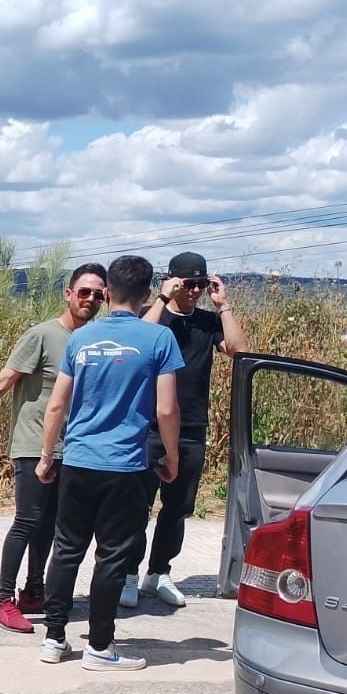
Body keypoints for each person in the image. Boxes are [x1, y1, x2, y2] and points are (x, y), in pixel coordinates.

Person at [0, 263, 109, 633]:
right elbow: (4, 380)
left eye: (98, 294)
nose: (91, 299)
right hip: (33, 443)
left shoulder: (95, 341)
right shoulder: (42, 335)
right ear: (69, 294)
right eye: (84, 292)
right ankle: (2, 599)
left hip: (71, 447)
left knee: (50, 523)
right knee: (28, 520)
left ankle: (34, 591)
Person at [36, 255, 182, 671]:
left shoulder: (81, 338)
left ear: (107, 292)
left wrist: (47, 456)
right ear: (147, 293)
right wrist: (171, 457)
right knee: (113, 556)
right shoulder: (158, 338)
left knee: (66, 550)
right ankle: (99, 646)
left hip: (78, 460)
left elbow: (57, 405)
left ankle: (53, 638)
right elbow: (167, 410)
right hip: (126, 465)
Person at [120, 250, 248, 608]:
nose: (194, 291)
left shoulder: (207, 322)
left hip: (191, 426)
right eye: (188, 284)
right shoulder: (153, 317)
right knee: (138, 507)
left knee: (178, 508)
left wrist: (223, 306)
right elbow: (137, 339)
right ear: (173, 282)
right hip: (147, 427)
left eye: (200, 284)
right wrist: (163, 299)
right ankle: (128, 574)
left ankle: (158, 573)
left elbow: (240, 352)